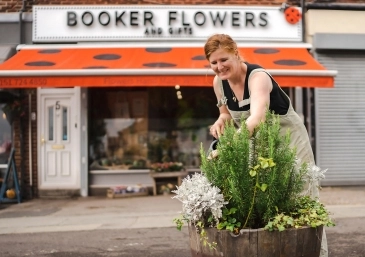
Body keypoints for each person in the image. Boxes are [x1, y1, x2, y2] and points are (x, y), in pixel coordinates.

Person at [204, 33, 328, 257]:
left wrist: (228, 145)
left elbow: (256, 118)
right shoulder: (218, 83)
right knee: (265, 198)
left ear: (236, 53)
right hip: (258, 143)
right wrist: (220, 121)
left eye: (224, 60)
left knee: (300, 195)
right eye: (214, 62)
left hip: (289, 141)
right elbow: (225, 114)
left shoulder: (258, 77)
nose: (219, 66)